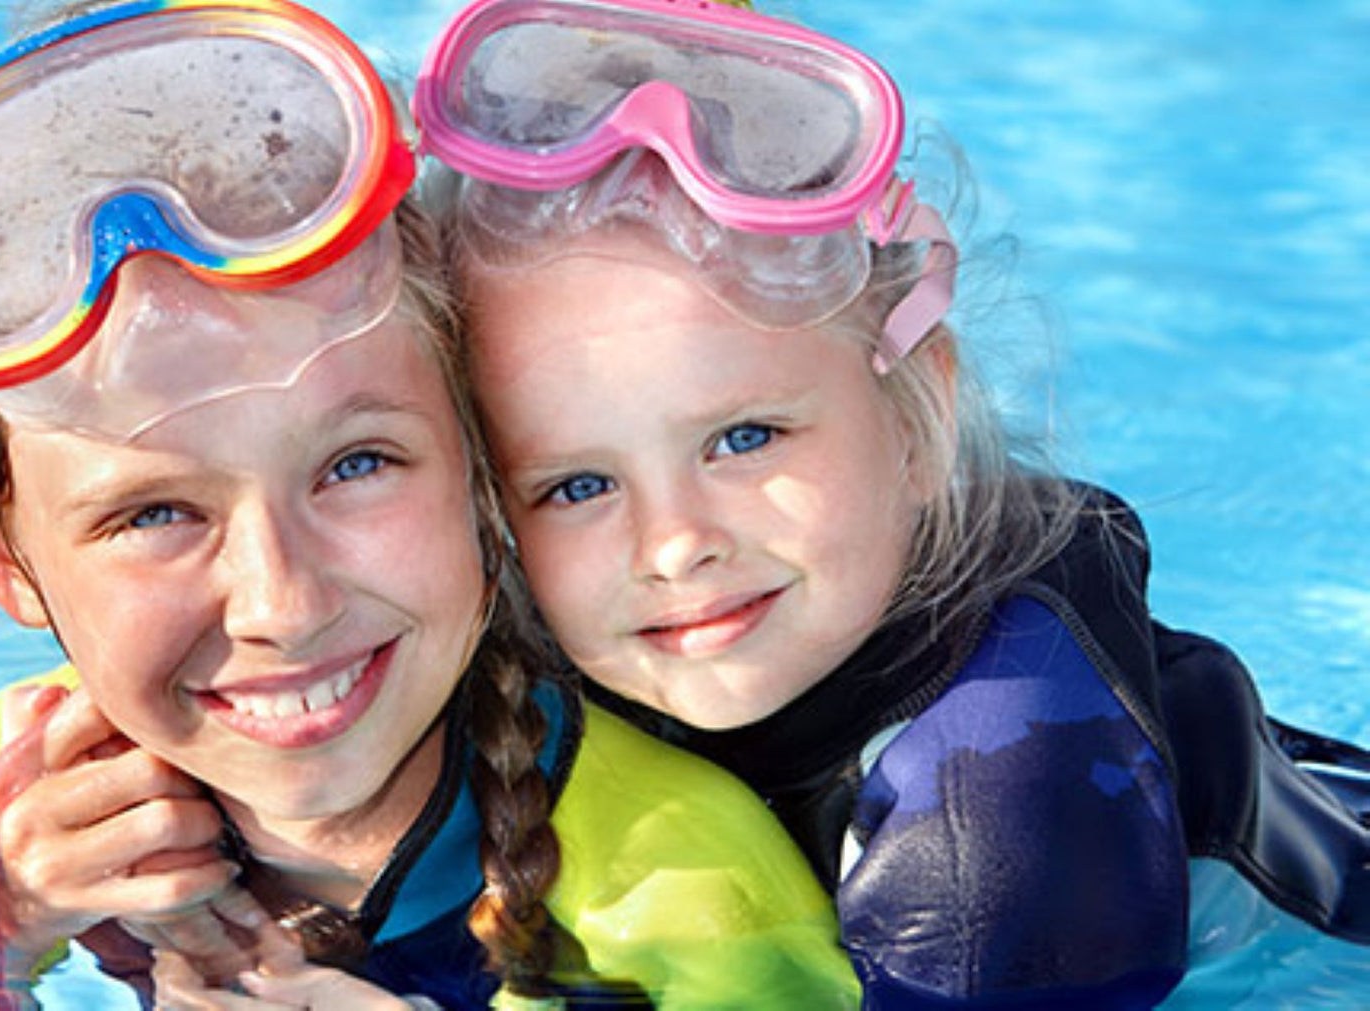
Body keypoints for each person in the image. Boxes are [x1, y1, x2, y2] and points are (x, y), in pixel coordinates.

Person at [0, 2, 861, 1008]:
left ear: (479, 471)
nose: (284, 603)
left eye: (356, 465)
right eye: (154, 514)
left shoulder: (679, 879)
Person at [414, 0, 1370, 1006]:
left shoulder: (998, 800)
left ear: (918, 419)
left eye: (744, 438)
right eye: (577, 486)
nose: (675, 543)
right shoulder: (552, 667)